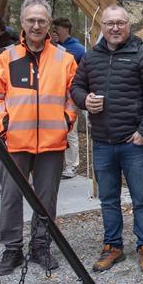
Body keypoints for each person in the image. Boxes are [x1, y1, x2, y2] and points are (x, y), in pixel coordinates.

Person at [0, 0, 78, 275]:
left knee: (46, 198)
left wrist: (65, 120)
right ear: (22, 23)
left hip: (52, 141)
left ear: (49, 24)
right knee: (11, 197)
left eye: (42, 20)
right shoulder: (5, 57)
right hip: (15, 142)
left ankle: (41, 246)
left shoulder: (65, 59)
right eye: (31, 20)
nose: (36, 25)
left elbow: (73, 97)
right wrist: (4, 124)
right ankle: (12, 249)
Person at [72, 5, 143, 274]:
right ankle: (113, 245)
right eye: (110, 23)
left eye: (120, 23)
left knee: (141, 198)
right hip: (102, 142)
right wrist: (84, 100)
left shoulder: (142, 55)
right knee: (109, 199)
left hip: (132, 142)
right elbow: (76, 87)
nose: (115, 28)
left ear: (128, 26)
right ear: (102, 26)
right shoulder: (91, 58)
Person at [51, 17, 85, 179]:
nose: (54, 31)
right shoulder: (50, 47)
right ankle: (58, 164)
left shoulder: (78, 49)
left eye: (56, 28)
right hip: (53, 96)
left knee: (71, 131)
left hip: (70, 96)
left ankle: (72, 165)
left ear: (65, 29)